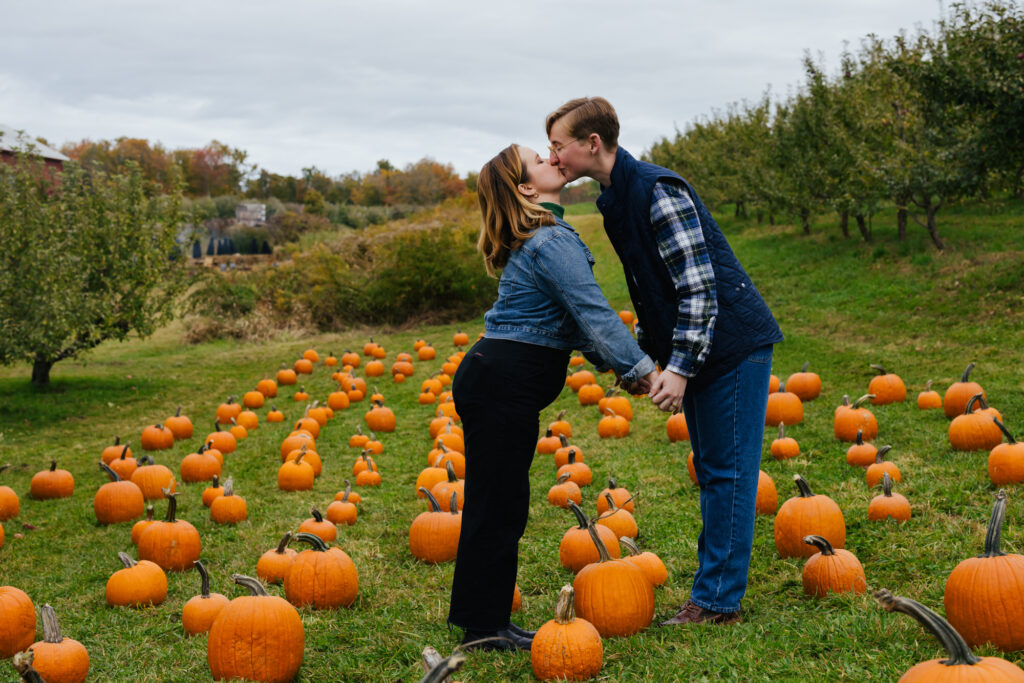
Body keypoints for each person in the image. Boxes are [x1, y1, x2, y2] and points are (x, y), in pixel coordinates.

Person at [546, 97, 784, 625]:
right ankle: (714, 591)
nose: (553, 157)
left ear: (591, 143)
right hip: (700, 346)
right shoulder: (616, 196)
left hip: (731, 345)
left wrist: (678, 369)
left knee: (727, 473)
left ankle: (718, 601)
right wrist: (648, 356)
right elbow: (652, 288)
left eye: (558, 146)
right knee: (713, 468)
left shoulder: (657, 191)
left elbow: (698, 289)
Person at [448, 143, 656, 651]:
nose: (551, 159)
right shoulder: (550, 241)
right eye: (539, 160)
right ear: (525, 187)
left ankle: (484, 620)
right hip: (499, 384)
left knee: (499, 502)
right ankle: (484, 627)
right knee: (498, 505)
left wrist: (622, 365)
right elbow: (594, 310)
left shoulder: (546, 237)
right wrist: (642, 371)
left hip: (496, 382)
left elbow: (576, 321)